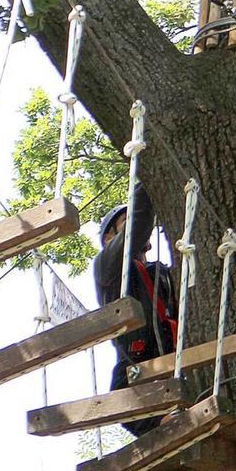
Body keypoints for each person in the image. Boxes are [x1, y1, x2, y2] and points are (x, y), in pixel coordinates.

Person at [93, 183, 177, 436]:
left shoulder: (160, 273)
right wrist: (145, 179)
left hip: (171, 358)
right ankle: (165, 427)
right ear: (109, 238)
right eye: (124, 221)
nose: (132, 222)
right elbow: (137, 227)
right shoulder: (107, 265)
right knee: (130, 405)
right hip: (136, 364)